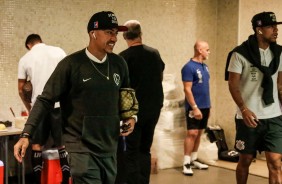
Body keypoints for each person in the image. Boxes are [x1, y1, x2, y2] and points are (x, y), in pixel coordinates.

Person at [14, 11, 136, 184]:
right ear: (93, 33)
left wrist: (130, 116)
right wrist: (26, 133)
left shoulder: (119, 64)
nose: (115, 38)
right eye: (109, 32)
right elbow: (45, 99)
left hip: (109, 147)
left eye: (116, 33)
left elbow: (126, 92)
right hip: (81, 148)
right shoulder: (71, 64)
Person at [227, 11, 282, 184]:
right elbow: (233, 85)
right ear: (258, 30)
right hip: (248, 117)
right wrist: (243, 109)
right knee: (245, 161)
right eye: (270, 27)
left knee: (275, 162)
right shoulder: (239, 54)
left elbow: (280, 85)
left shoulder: (279, 53)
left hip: (273, 116)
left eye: (276, 26)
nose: (275, 30)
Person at [115, 20, 165, 184]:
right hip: (153, 108)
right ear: (141, 34)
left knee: (130, 150)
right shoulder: (154, 53)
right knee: (145, 148)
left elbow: (120, 86)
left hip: (132, 112)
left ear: (124, 36)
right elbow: (160, 76)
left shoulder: (123, 57)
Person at [17, 34, 70, 184]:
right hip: (59, 105)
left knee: (36, 145)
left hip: (39, 106)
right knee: (62, 144)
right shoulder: (59, 51)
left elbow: (21, 89)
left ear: (28, 45)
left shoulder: (25, 59)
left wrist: (30, 109)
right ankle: (66, 181)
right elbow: (68, 78)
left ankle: (36, 181)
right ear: (41, 41)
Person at [181, 40, 211, 176]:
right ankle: (186, 163)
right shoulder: (188, 67)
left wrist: (208, 105)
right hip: (194, 107)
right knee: (192, 133)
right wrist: (194, 107)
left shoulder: (205, 67)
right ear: (200, 50)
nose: (209, 52)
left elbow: (205, 88)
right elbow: (187, 89)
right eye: (207, 49)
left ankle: (194, 159)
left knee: (199, 133)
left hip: (205, 106)